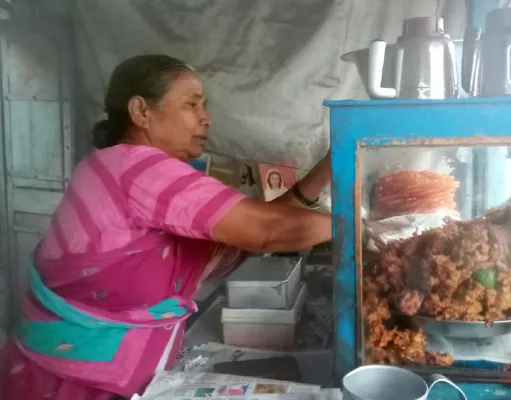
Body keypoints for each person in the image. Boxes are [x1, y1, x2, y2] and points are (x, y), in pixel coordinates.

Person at [0, 55, 332, 400]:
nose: (206, 118)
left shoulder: (123, 169)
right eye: (191, 104)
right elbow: (269, 230)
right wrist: (359, 226)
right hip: (72, 385)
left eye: (204, 106)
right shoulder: (134, 167)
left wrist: (328, 166)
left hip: (90, 373)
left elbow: (268, 222)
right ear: (141, 111)